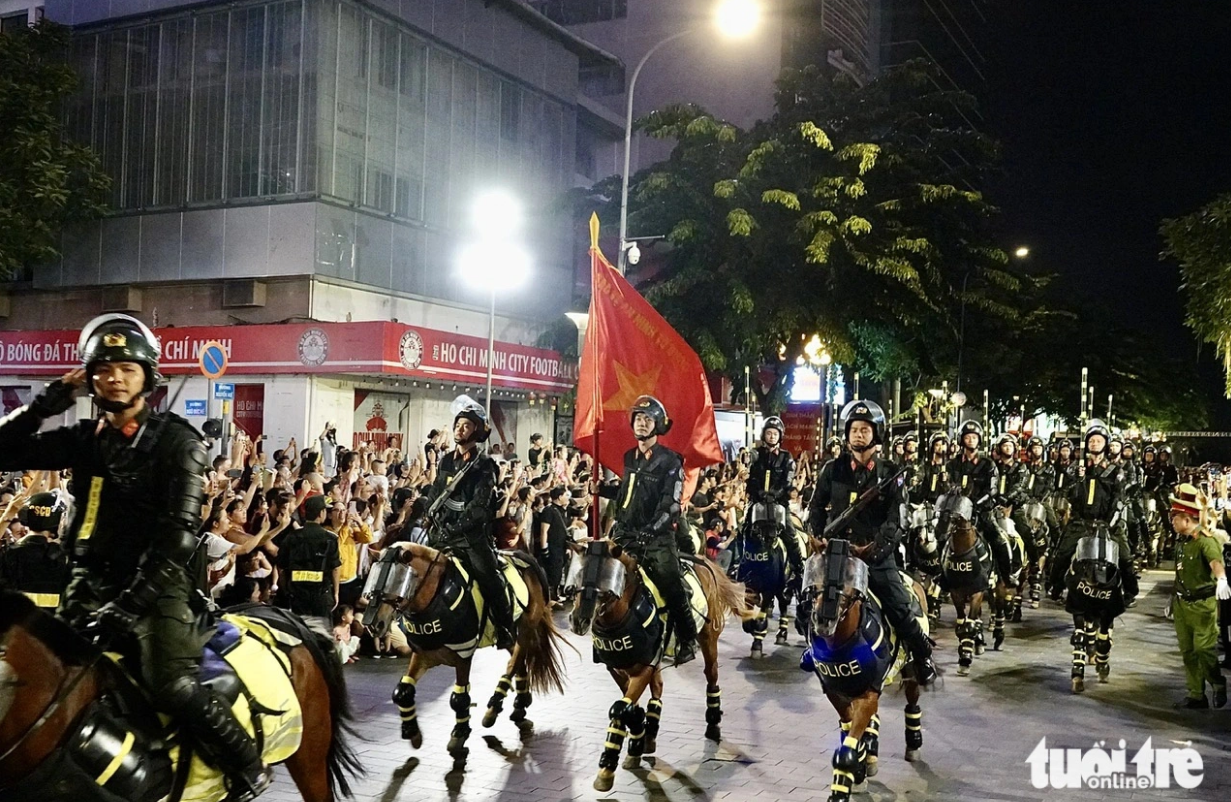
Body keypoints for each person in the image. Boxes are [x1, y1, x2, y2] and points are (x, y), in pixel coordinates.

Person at [0, 313, 270, 801]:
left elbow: (178, 539)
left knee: (172, 684)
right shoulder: (84, 439)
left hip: (158, 589)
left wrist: (129, 606)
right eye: (103, 369)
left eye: (126, 367)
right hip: (85, 586)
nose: (114, 377)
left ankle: (247, 765)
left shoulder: (179, 442)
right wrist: (51, 398)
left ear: (148, 375)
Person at [808, 399, 936, 684]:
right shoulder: (832, 468)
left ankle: (922, 652)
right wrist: (816, 535)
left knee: (899, 605)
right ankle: (812, 650)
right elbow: (816, 507)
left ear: (876, 434)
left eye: (865, 429)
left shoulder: (891, 473)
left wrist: (876, 548)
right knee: (807, 599)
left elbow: (897, 519)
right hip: (837, 553)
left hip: (874, 554)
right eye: (854, 429)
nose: (859, 434)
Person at [597, 395, 697, 665]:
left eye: (647, 419)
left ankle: (688, 638)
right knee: (597, 575)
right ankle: (601, 633)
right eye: (638, 419)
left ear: (658, 425)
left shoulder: (670, 461)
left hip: (657, 539)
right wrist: (604, 490)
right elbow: (627, 494)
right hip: (625, 534)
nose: (641, 424)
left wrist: (651, 530)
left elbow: (671, 506)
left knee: (672, 584)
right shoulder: (630, 456)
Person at [425, 397, 515, 650]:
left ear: (476, 430)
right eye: (458, 425)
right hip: (441, 533)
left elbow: (479, 507)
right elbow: (436, 491)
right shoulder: (445, 461)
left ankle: (505, 627)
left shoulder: (484, 465)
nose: (459, 430)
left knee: (491, 579)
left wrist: (456, 528)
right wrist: (429, 512)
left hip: (470, 537)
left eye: (465, 426)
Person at [1168, 484, 1230, 708]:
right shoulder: (1181, 543)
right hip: (1182, 604)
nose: (1172, 521)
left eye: (1175, 517)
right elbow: (1181, 571)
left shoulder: (1205, 540)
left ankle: (1217, 682)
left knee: (1204, 649)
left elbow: (1215, 562)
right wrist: (1171, 598)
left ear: (1187, 519)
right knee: (1188, 651)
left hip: (1203, 604)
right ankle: (1196, 694)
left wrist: (1222, 579)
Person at [947, 421, 1016, 584]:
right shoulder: (953, 464)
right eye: (967, 437)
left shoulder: (988, 464)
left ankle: (1007, 576)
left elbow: (992, 490)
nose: (971, 440)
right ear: (961, 439)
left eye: (974, 437)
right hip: (957, 513)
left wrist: (975, 504)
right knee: (938, 536)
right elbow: (948, 485)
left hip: (981, 512)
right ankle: (941, 575)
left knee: (1000, 541)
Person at [744, 416, 804, 576]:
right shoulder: (756, 454)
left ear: (780, 436)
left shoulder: (787, 457)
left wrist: (774, 494)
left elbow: (787, 480)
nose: (772, 436)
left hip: (779, 504)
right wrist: (759, 493)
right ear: (764, 435)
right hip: (757, 502)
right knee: (743, 530)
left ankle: (799, 570)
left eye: (775, 433)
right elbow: (750, 478)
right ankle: (739, 566)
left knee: (790, 535)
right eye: (769, 433)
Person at [0, 491, 71, 609]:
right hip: (52, 624)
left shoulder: (10, 554)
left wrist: (9, 514)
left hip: (14, 624)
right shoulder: (64, 557)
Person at [277, 494, 341, 624]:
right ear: (321, 513)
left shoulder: (292, 536)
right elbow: (335, 568)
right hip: (321, 593)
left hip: (297, 593)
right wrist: (336, 593)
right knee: (321, 632)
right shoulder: (330, 538)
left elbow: (281, 567)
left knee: (300, 630)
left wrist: (286, 589)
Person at [915, 431, 950, 505]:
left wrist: (946, 482)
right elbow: (918, 480)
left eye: (943, 444)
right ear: (933, 447)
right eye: (937, 445)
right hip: (928, 504)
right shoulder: (926, 466)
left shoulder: (951, 466)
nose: (940, 447)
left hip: (947, 504)